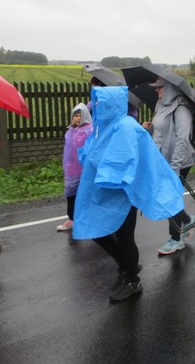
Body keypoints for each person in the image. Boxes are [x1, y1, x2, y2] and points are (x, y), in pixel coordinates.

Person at [74, 86, 185, 302]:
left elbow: (124, 160)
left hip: (123, 194)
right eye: (95, 102)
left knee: (124, 237)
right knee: (96, 229)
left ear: (112, 103)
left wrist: (101, 166)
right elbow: (92, 151)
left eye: (99, 102)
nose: (96, 106)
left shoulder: (125, 127)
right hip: (104, 192)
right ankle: (127, 264)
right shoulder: (104, 126)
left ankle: (132, 279)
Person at [142, 77, 195, 255]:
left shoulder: (182, 109)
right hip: (161, 159)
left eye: (160, 88)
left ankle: (176, 239)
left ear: (171, 89)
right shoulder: (161, 105)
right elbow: (160, 131)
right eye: (156, 87)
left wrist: (175, 167)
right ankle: (187, 220)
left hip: (178, 160)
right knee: (167, 197)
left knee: (169, 197)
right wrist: (149, 128)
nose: (156, 91)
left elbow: (182, 139)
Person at [57, 103, 93, 232]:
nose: (78, 118)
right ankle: (72, 219)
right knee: (71, 195)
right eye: (75, 116)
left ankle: (88, 219)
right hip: (71, 170)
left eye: (81, 115)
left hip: (83, 170)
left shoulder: (89, 130)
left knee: (84, 194)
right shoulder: (71, 130)